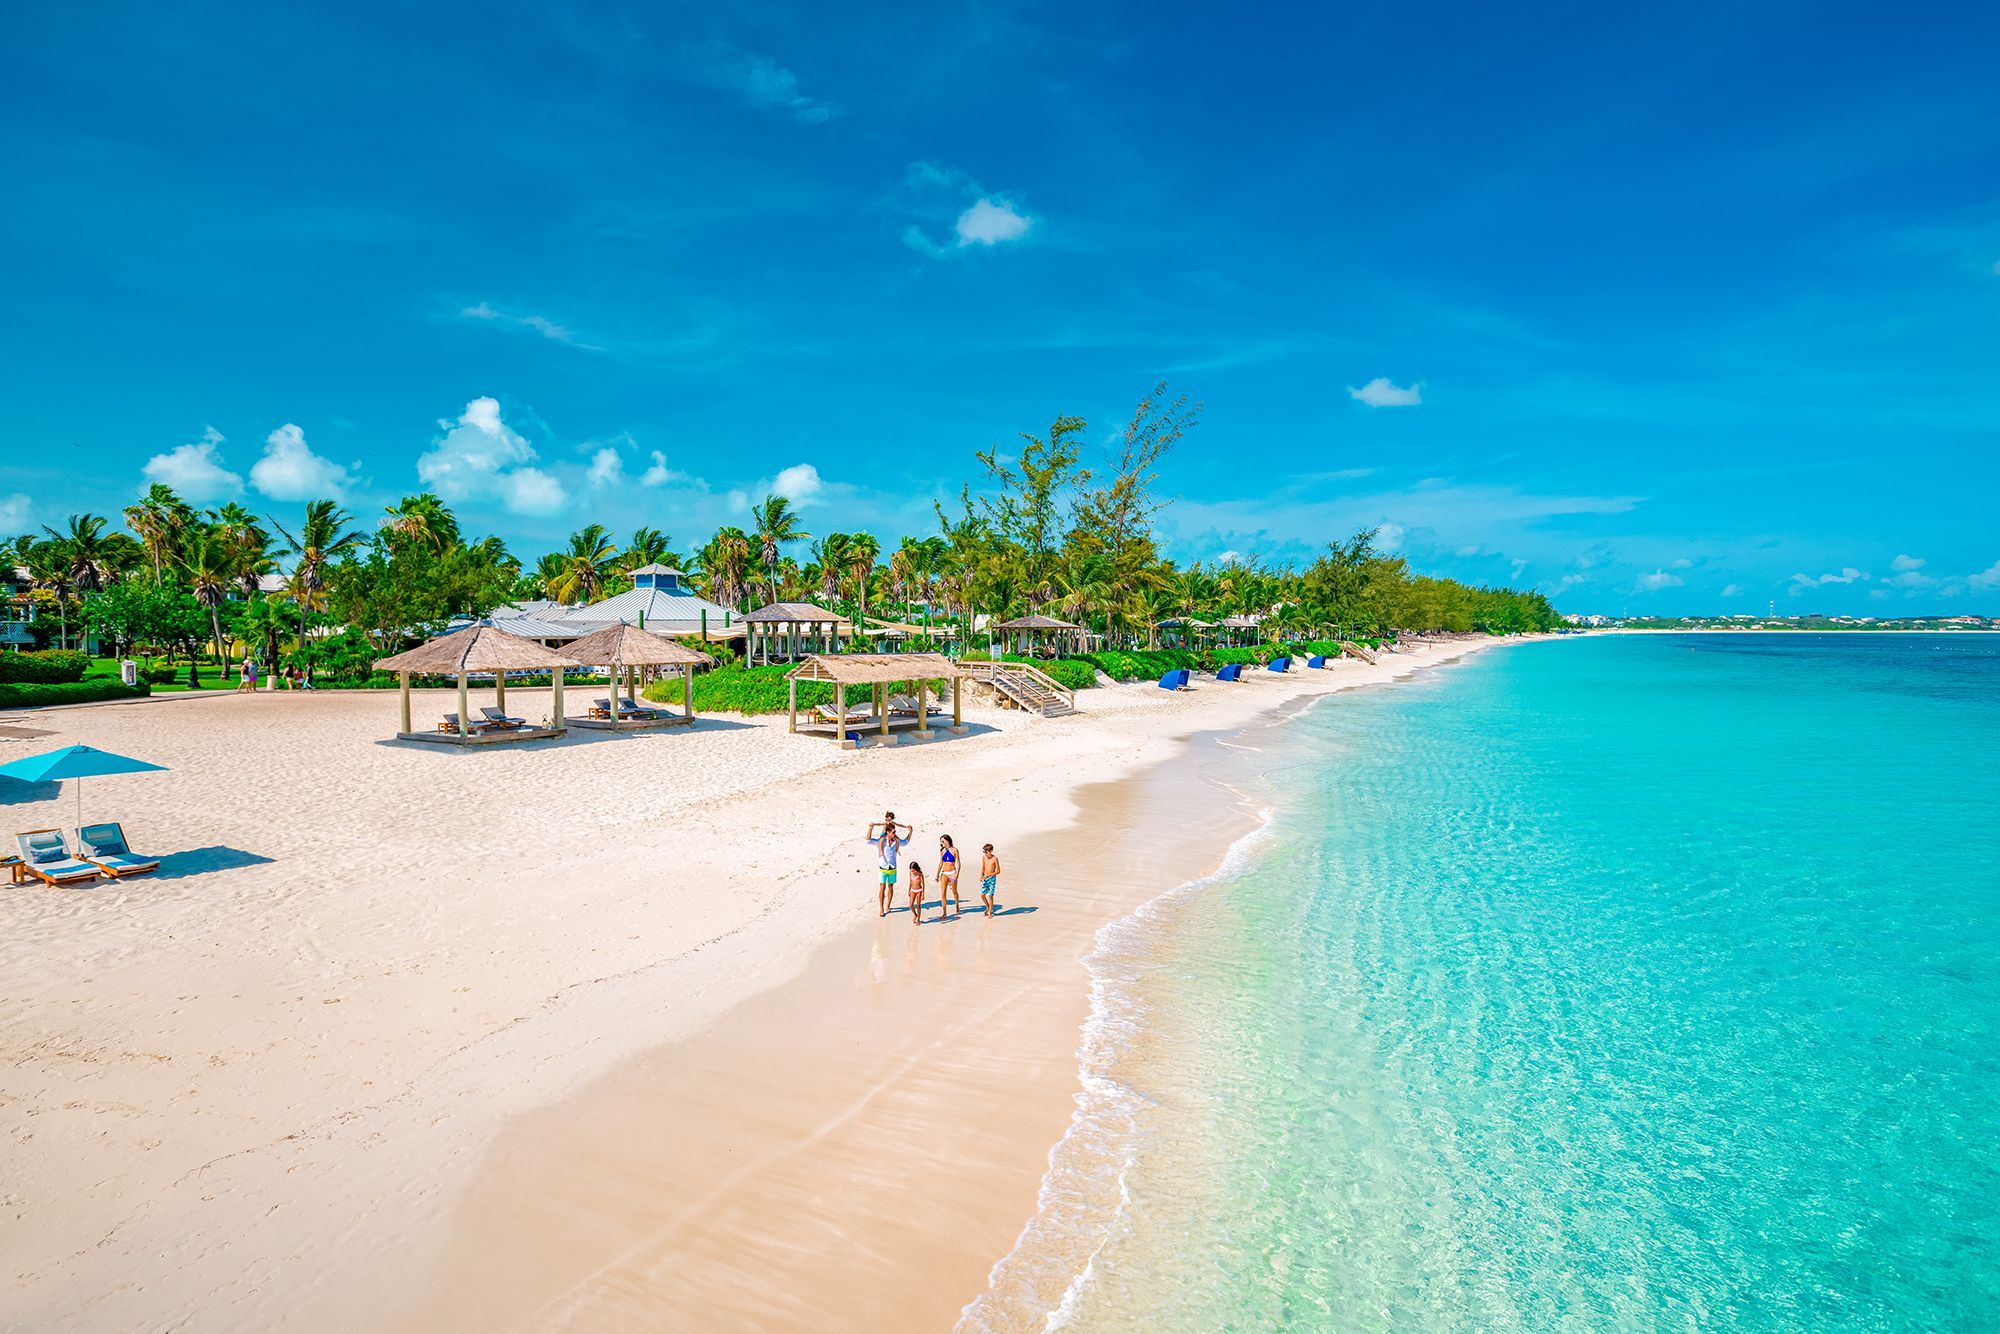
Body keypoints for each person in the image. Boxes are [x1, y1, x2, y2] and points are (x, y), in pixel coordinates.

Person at [867, 813, 912, 918]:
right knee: (882, 888)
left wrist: (910, 831)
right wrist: (870, 828)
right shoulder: (881, 841)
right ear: (887, 832)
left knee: (891, 887)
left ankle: (888, 905)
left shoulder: (896, 841)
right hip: (883, 868)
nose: (895, 833)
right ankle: (881, 908)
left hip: (892, 868)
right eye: (893, 832)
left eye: (895, 831)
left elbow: (905, 842)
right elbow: (868, 841)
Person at [938, 835, 962, 920]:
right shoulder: (942, 850)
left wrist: (957, 874)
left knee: (954, 892)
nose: (941, 843)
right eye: (941, 841)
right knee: (943, 893)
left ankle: (957, 905)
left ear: (948, 841)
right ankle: (944, 913)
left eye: (943, 841)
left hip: (952, 873)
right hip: (944, 873)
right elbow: (941, 863)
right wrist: (937, 874)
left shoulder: (955, 850)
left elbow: (958, 863)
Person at [980, 843, 1001, 917]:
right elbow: (983, 867)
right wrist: (981, 876)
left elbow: (998, 871)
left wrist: (988, 875)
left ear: (991, 851)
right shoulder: (984, 857)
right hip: (985, 878)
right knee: (982, 895)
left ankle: (990, 912)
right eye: (984, 851)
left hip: (991, 879)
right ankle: (988, 906)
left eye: (987, 851)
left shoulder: (995, 858)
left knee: (990, 896)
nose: (985, 853)